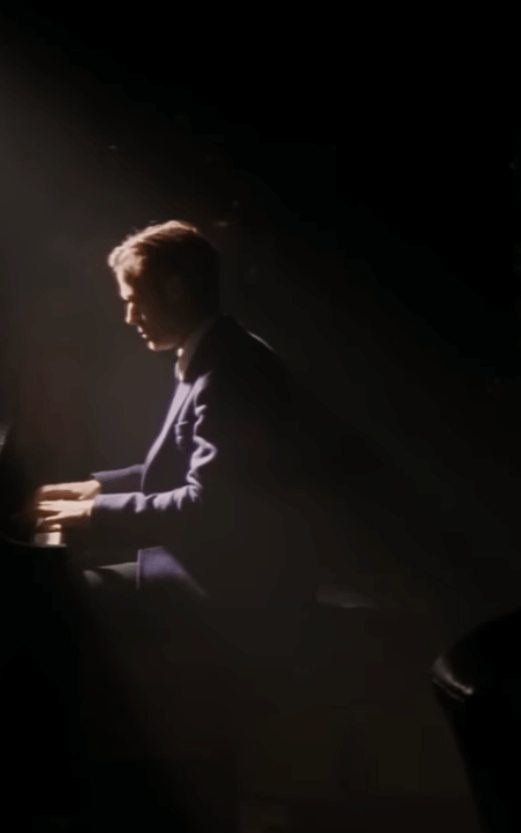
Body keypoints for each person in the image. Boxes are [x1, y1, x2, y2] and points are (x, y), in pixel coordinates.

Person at [24, 220, 318, 632]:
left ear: (175, 290)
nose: (129, 317)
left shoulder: (229, 372)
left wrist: (91, 512)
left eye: (134, 301)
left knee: (46, 599)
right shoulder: (218, 353)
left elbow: (206, 505)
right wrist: (96, 488)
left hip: (233, 588)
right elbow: (186, 472)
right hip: (216, 566)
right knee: (62, 580)